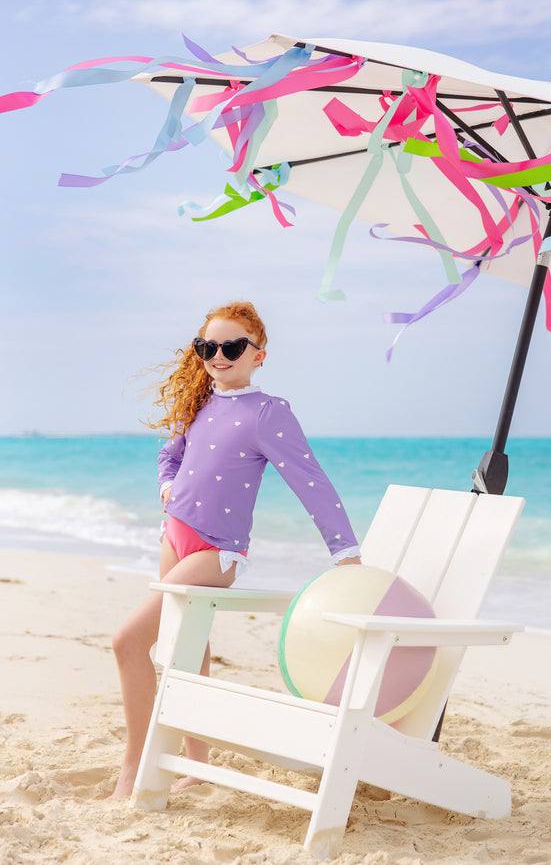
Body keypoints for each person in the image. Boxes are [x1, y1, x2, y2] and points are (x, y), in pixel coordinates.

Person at [110, 301, 361, 799]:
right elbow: (170, 455)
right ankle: (197, 766)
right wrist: (167, 485)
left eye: (232, 346)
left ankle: (132, 770)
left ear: (258, 355)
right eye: (208, 347)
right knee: (187, 647)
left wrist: (346, 553)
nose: (218, 356)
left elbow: (310, 481)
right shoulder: (199, 403)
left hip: (216, 551)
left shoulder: (268, 413)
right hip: (173, 535)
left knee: (128, 642)